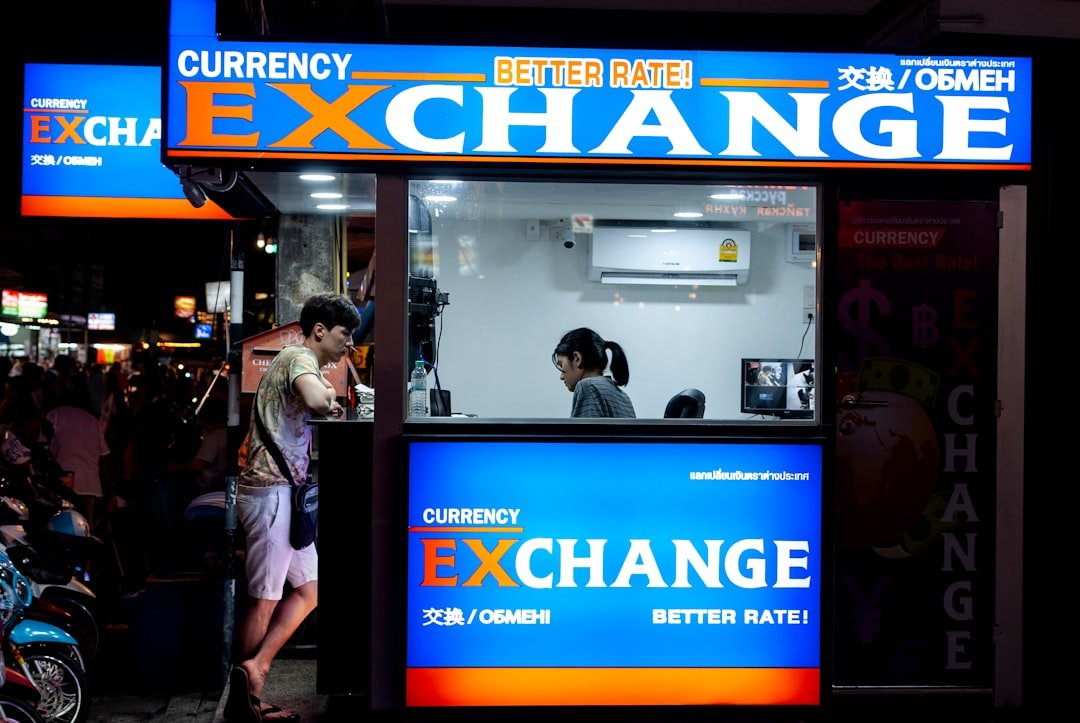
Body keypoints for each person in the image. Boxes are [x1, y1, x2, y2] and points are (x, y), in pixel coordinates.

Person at [225, 292, 360, 723]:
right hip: (270, 494)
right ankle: (241, 699)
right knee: (263, 600)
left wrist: (326, 387)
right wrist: (325, 394)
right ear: (319, 330)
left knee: (311, 590)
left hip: (282, 494)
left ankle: (256, 668)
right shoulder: (298, 358)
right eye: (344, 334)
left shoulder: (300, 361)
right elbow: (321, 402)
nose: (349, 344)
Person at [552, 327, 636, 418]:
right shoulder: (623, 396)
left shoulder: (587, 386)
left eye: (561, 365)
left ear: (577, 358)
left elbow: (586, 432)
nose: (561, 376)